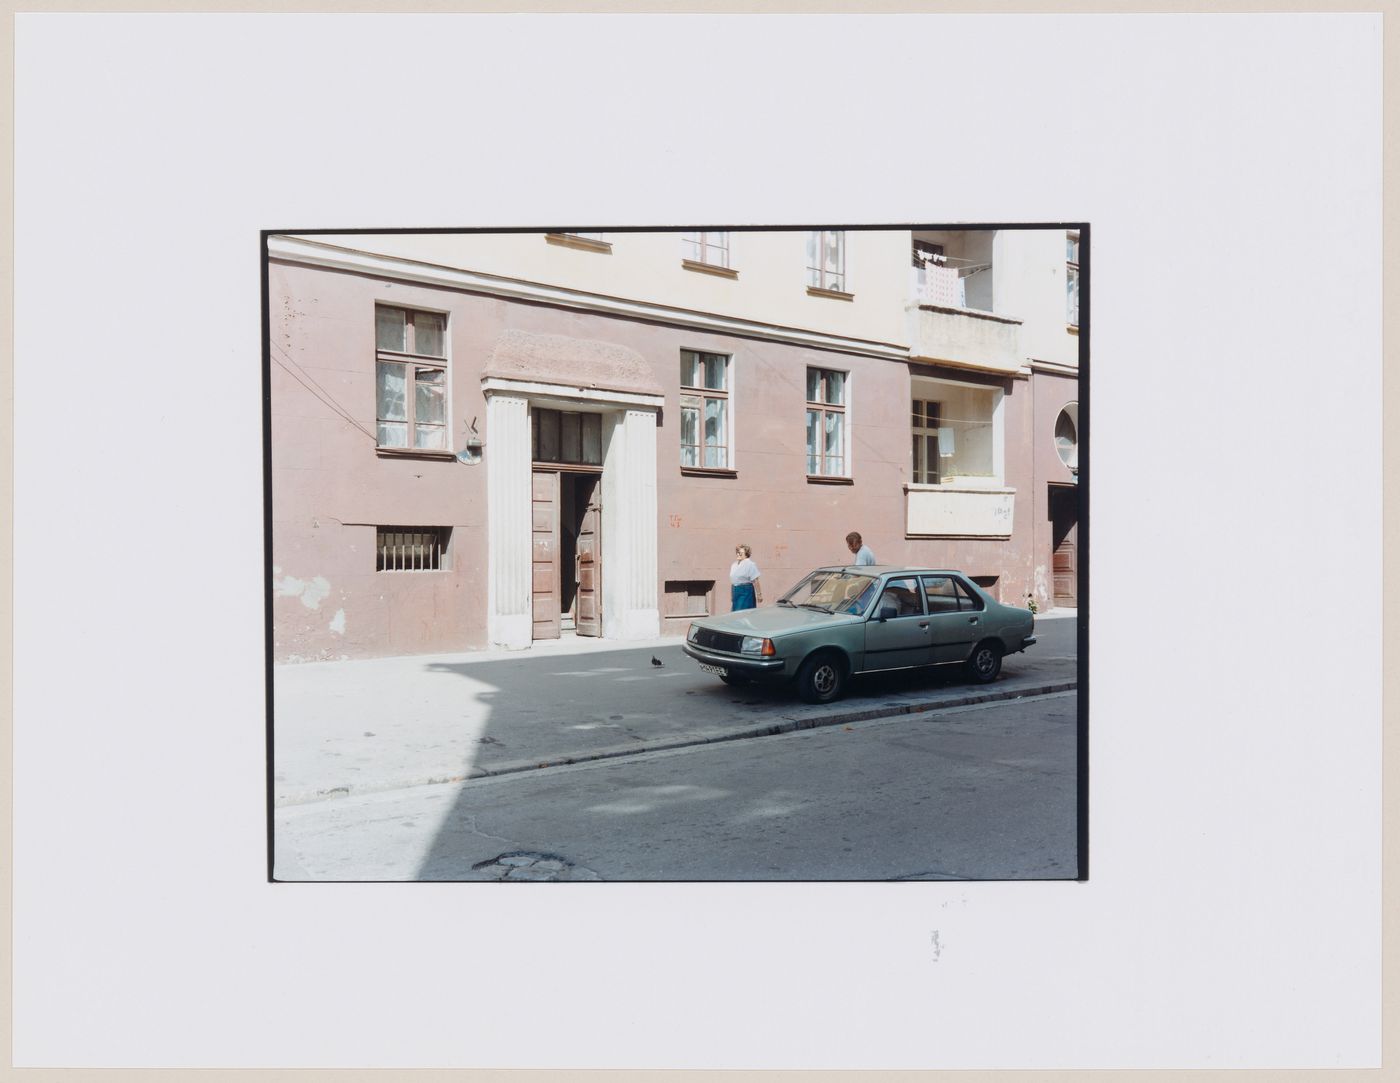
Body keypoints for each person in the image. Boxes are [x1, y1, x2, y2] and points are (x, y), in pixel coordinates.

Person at [729, 544, 763, 611]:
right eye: (737, 553)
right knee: (734, 613)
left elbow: (756, 580)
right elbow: (733, 580)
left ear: (746, 554)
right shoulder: (734, 565)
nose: (738, 554)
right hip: (735, 590)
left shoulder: (750, 564)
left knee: (741, 613)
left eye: (740, 553)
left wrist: (759, 595)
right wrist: (732, 595)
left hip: (745, 591)